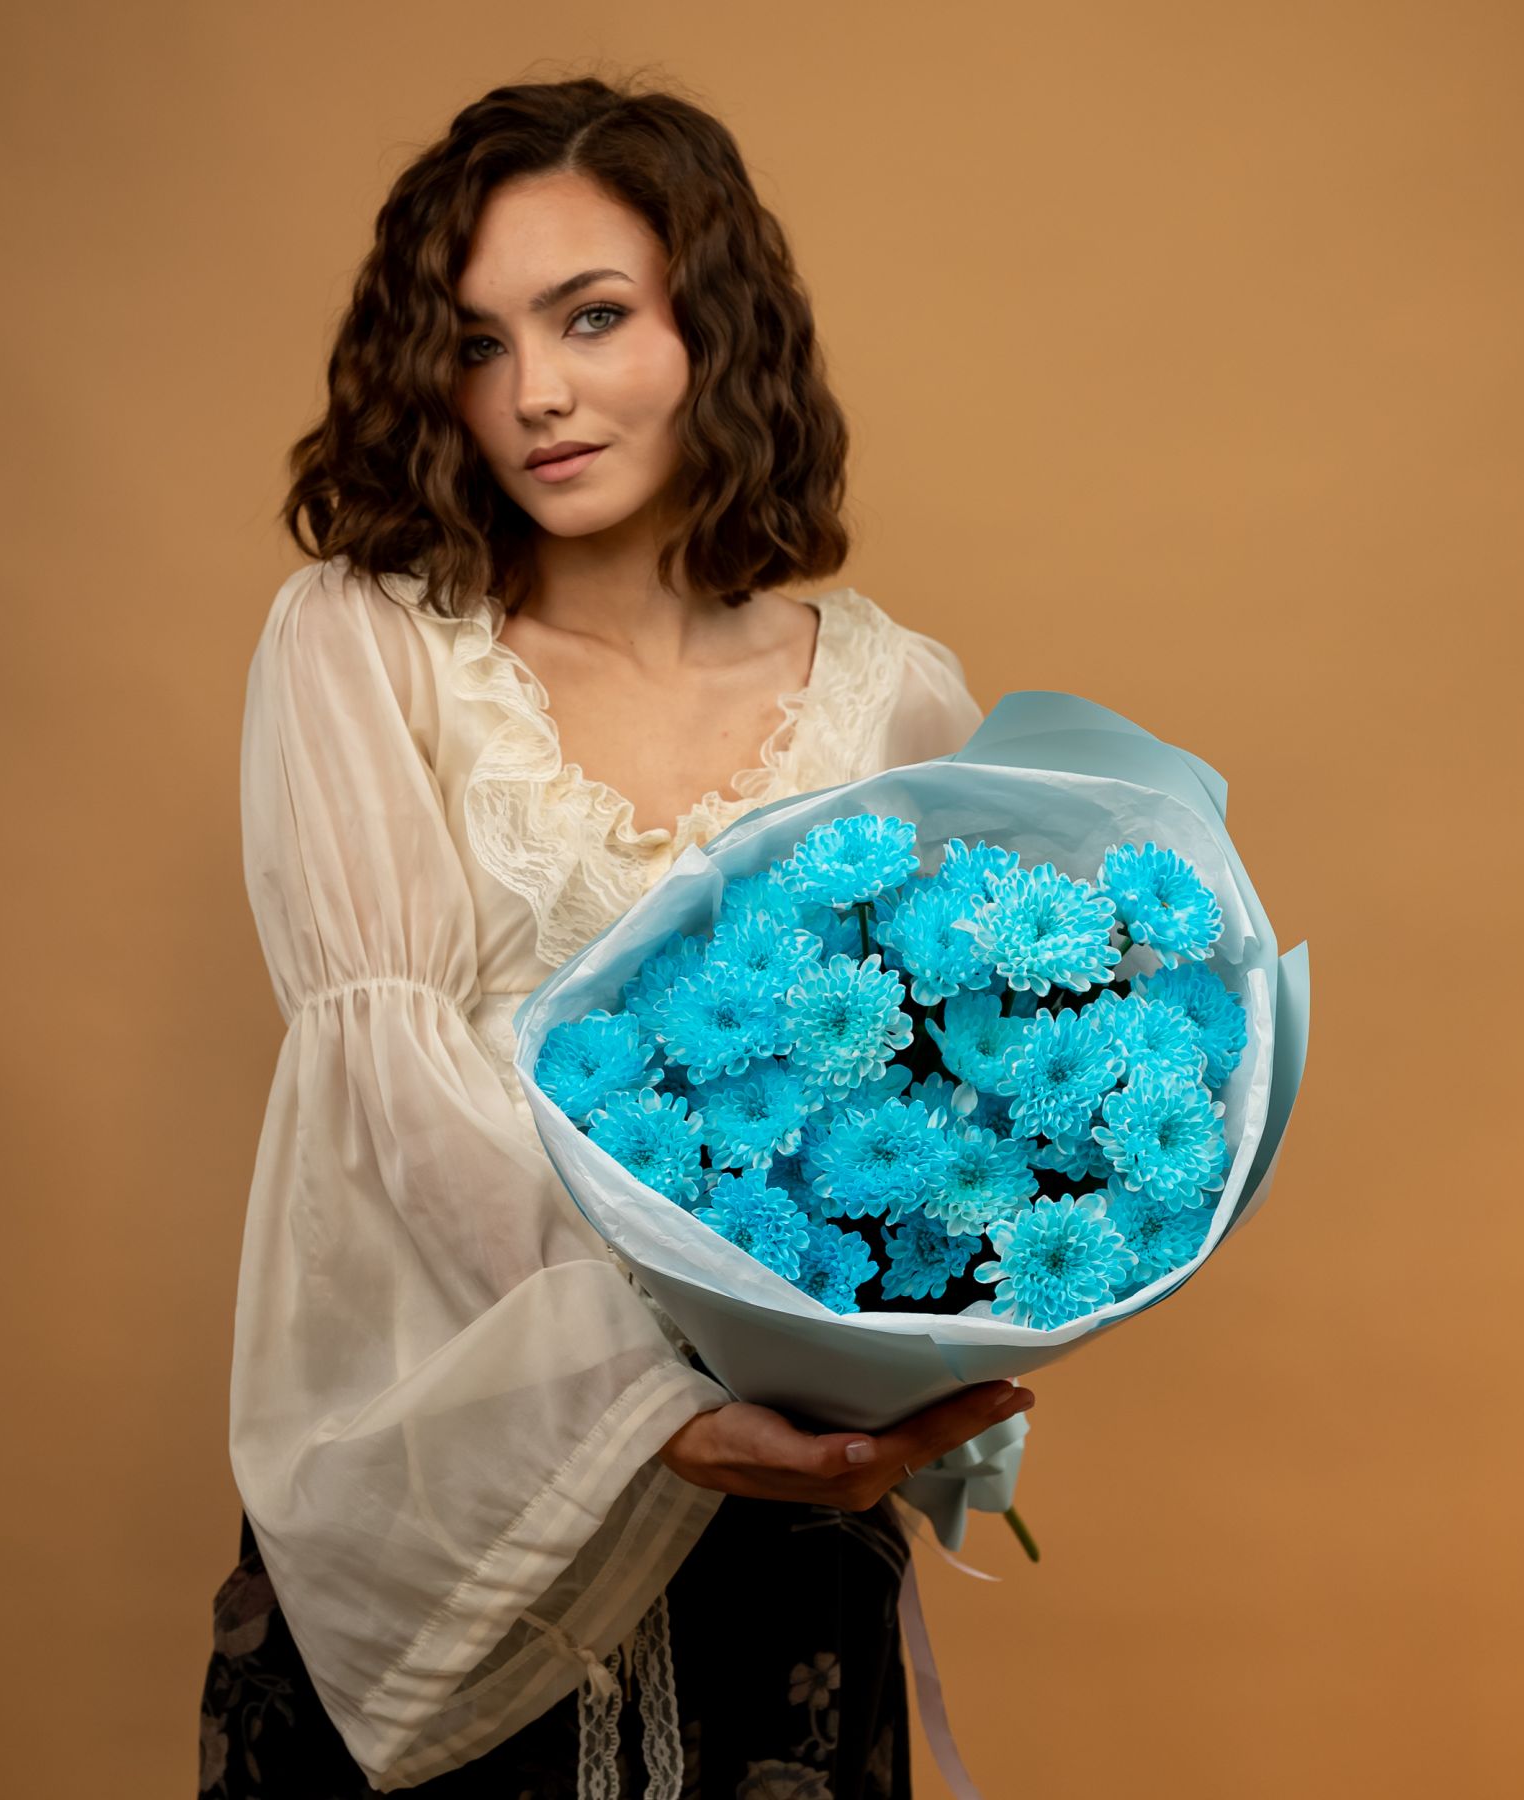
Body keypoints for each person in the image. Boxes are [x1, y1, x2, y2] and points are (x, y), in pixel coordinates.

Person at [199, 71, 1036, 1800]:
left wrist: (944, 1321)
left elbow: (968, 1095)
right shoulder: (367, 644)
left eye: (591, 317)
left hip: (788, 1518)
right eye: (477, 342)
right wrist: (660, 1404)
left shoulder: (895, 696)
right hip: (463, 1502)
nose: (535, 393)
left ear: (714, 329)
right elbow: (389, 1088)